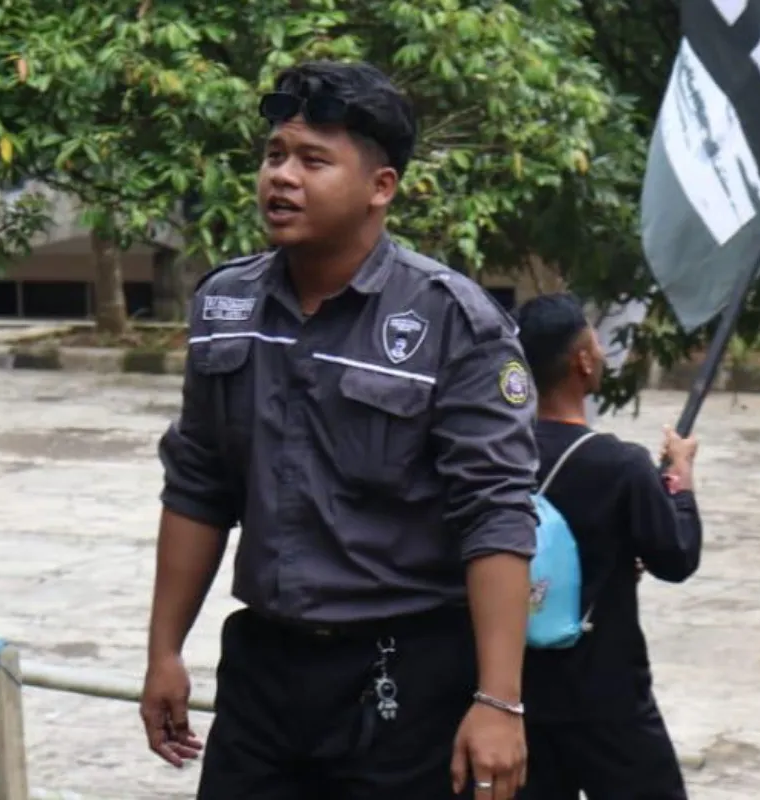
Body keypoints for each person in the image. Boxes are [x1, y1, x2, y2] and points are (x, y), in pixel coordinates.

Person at [140, 60, 540, 800]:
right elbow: (198, 483)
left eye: (313, 161)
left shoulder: (453, 323)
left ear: (380, 187)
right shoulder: (226, 304)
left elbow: (495, 514)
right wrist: (164, 650)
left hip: (403, 678)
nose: (282, 177)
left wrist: (499, 701)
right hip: (264, 670)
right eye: (274, 155)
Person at [514, 292, 703, 800]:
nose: (600, 354)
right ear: (581, 361)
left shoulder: (494, 455)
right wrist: (680, 480)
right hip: (607, 695)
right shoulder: (621, 465)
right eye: (594, 345)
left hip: (517, 694)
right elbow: (676, 557)